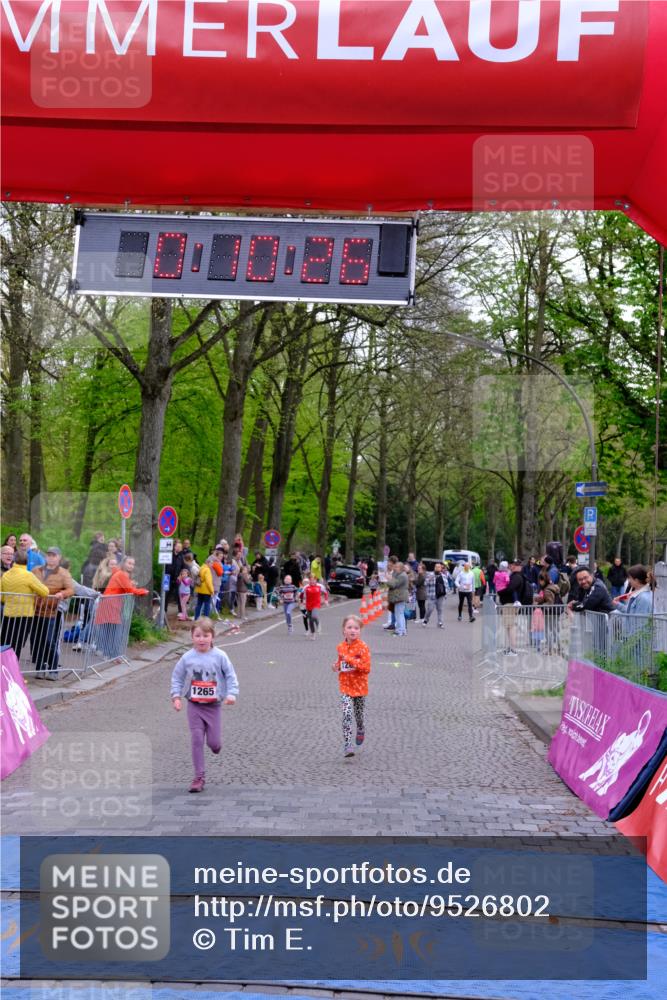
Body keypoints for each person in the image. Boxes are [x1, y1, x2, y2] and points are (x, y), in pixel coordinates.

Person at [170, 617, 239, 793]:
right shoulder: (187, 658)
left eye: (205, 635)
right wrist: (176, 697)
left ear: (212, 637)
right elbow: (177, 677)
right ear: (192, 637)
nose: (201, 639)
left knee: (214, 743)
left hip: (213, 706)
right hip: (194, 705)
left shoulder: (220, 656)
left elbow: (231, 675)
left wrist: (231, 694)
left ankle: (215, 746)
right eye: (198, 635)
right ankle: (198, 777)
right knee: (197, 739)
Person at [31, 547, 75, 679]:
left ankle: (53, 670)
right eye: (49, 555)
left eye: (53, 555)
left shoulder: (64, 573)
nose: (50, 557)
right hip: (36, 611)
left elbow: (71, 590)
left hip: (52, 612)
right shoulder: (36, 570)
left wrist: (62, 593)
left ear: (59, 558)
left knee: (50, 641)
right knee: (37, 640)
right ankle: (39, 669)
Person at [332, 614, 371, 758]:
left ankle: (360, 728)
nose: (353, 630)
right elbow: (340, 662)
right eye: (349, 627)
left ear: (360, 631)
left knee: (358, 715)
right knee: (347, 714)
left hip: (360, 687)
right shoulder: (340, 647)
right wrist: (336, 666)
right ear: (344, 630)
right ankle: (348, 745)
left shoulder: (363, 647)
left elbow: (366, 668)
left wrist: (349, 659)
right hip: (345, 687)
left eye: (356, 628)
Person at [95, 556, 148, 658]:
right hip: (111, 604)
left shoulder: (120, 574)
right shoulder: (121, 574)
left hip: (110, 603)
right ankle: (114, 655)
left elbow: (126, 588)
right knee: (115, 631)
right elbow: (130, 590)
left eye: (133, 564)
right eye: (129, 563)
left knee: (111, 631)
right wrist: (143, 591)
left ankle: (109, 654)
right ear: (123, 563)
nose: (131, 566)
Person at [0, 551, 49, 658]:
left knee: (5, 643)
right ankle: (13, 671)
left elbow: (2, 597)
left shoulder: (5, 575)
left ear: (14, 560)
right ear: (27, 561)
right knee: (17, 644)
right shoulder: (28, 575)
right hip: (24, 615)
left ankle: (3, 669)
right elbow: (45, 592)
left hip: (8, 614)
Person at [387, 560, 409, 637]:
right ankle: (402, 630)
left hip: (400, 597)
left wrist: (389, 578)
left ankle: (399, 631)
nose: (395, 568)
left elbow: (393, 584)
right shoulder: (399, 574)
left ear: (401, 568)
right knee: (400, 614)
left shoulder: (402, 575)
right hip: (399, 596)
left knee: (399, 614)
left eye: (396, 567)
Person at [423, 562, 447, 628]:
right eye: (436, 567)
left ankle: (440, 622)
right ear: (434, 568)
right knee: (430, 609)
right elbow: (425, 583)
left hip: (440, 596)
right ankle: (425, 620)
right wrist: (429, 579)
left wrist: (445, 594)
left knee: (440, 610)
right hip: (431, 595)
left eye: (439, 567)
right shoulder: (430, 575)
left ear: (441, 568)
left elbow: (446, 586)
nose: (437, 568)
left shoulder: (444, 576)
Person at [303, 573, 327, 638]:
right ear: (309, 580)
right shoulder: (306, 587)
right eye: (311, 580)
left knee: (314, 616)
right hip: (308, 605)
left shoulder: (320, 586)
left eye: (313, 580)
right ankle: (313, 634)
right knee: (310, 620)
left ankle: (318, 624)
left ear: (316, 580)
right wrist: (302, 600)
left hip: (316, 604)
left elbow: (325, 593)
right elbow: (301, 594)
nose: (312, 581)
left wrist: (326, 600)